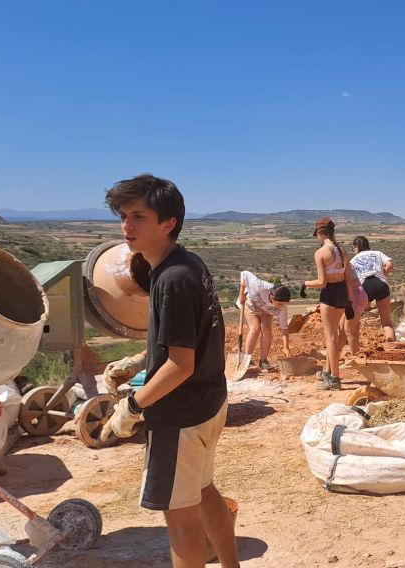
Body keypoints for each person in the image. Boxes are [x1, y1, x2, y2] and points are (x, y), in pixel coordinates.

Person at [101, 174, 238, 568]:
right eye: (123, 216)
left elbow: (180, 365)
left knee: (180, 522)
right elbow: (186, 343)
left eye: (139, 216)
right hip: (209, 403)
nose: (127, 226)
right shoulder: (187, 264)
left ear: (168, 223)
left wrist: (133, 405)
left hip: (179, 415)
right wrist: (140, 362)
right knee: (204, 490)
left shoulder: (171, 279)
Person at [300, 217, 354, 390]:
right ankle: (328, 372)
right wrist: (350, 302)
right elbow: (349, 279)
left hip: (329, 295)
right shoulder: (342, 250)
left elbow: (322, 282)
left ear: (320, 233)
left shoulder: (321, 253)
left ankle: (334, 379)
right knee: (335, 337)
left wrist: (305, 283)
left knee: (330, 338)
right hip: (342, 295)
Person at [237, 271, 292, 371]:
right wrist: (241, 294)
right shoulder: (260, 286)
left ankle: (263, 361)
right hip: (251, 306)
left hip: (266, 312)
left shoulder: (282, 308)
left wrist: (286, 346)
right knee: (255, 328)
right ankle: (246, 359)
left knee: (267, 330)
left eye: (284, 304)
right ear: (271, 297)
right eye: (279, 303)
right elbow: (244, 274)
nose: (282, 306)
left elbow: (284, 328)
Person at [350, 236, 396, 341]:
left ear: (356, 246)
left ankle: (352, 347)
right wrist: (383, 274)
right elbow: (389, 264)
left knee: (353, 322)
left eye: (353, 248)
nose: (353, 251)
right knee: (386, 322)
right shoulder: (377, 253)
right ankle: (392, 345)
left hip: (365, 287)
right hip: (381, 285)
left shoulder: (353, 260)